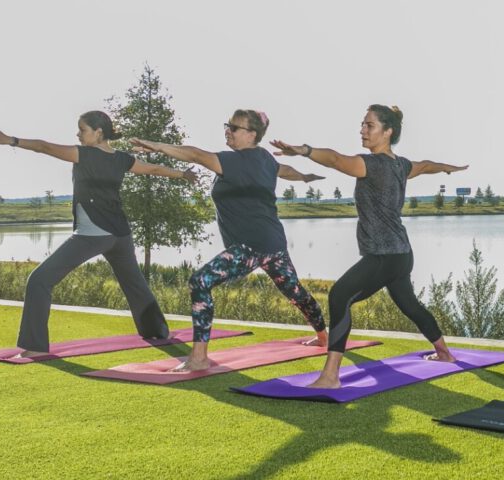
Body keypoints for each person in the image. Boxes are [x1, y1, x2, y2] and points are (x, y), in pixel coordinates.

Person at [268, 104, 468, 388]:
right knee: (409, 304)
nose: (362, 130)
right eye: (362, 125)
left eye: (369, 125)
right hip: (401, 254)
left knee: (339, 296)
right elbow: (424, 166)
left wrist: (304, 150)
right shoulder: (401, 165)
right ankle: (444, 353)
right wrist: (446, 168)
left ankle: (330, 376)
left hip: (383, 255)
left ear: (388, 132)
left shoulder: (370, 165)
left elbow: (337, 160)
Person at [0, 111, 197, 358]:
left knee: (39, 281)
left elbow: (44, 147)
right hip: (120, 234)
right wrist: (183, 174)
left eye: (82, 130)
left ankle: (35, 347)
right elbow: (153, 169)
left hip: (93, 234)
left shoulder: (84, 154)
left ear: (98, 132)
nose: (78, 135)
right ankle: (157, 331)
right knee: (134, 285)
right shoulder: (122, 159)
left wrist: (11, 140)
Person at [129, 109, 327, 372]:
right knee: (294, 291)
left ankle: (199, 358)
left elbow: (196, 155)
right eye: (228, 125)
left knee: (200, 282)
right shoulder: (265, 159)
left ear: (251, 134)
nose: (228, 131)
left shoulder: (238, 160)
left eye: (234, 127)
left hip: (250, 246)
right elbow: (284, 169)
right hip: (273, 244)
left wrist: (155, 145)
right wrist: (303, 177)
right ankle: (325, 337)